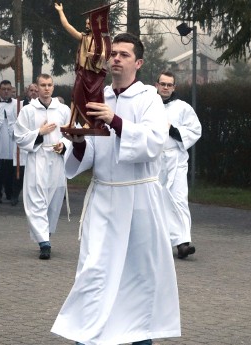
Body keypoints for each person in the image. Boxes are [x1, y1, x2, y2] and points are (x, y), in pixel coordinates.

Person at [51, 33, 180, 345]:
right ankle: (88, 337)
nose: (117, 58)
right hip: (105, 199)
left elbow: (153, 143)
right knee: (95, 272)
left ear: (138, 63)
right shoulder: (98, 97)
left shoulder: (149, 99)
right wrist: (80, 141)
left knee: (138, 276)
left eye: (124, 54)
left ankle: (139, 339)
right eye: (114, 54)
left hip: (139, 202)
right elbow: (92, 154)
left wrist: (117, 121)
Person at [13, 73, 70, 260]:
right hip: (37, 156)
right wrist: (40, 132)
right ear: (37, 88)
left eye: (49, 85)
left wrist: (64, 145)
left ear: (53, 87)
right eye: (43, 85)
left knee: (53, 200)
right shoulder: (28, 110)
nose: (46, 88)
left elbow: (71, 132)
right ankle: (44, 242)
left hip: (56, 158)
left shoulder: (63, 110)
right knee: (36, 199)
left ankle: (46, 233)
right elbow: (19, 136)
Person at [155, 71, 202, 259]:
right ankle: (159, 240)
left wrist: (173, 130)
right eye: (163, 84)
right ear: (156, 84)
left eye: (169, 85)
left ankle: (182, 242)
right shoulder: (148, 105)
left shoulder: (183, 108)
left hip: (176, 160)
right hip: (154, 160)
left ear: (174, 87)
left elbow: (195, 130)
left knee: (179, 199)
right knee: (156, 201)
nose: (166, 87)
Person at [55, 2, 110, 132]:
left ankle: (90, 122)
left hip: (94, 74)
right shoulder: (83, 38)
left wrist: (94, 55)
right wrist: (60, 11)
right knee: (75, 96)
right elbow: (68, 27)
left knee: (91, 99)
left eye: (88, 23)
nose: (86, 25)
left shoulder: (101, 40)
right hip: (82, 71)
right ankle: (72, 122)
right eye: (86, 23)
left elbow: (105, 55)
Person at [0, 80, 17, 203]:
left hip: (11, 139)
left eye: (8, 89)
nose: (6, 91)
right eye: (4, 89)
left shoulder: (17, 103)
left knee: (10, 171)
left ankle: (10, 193)